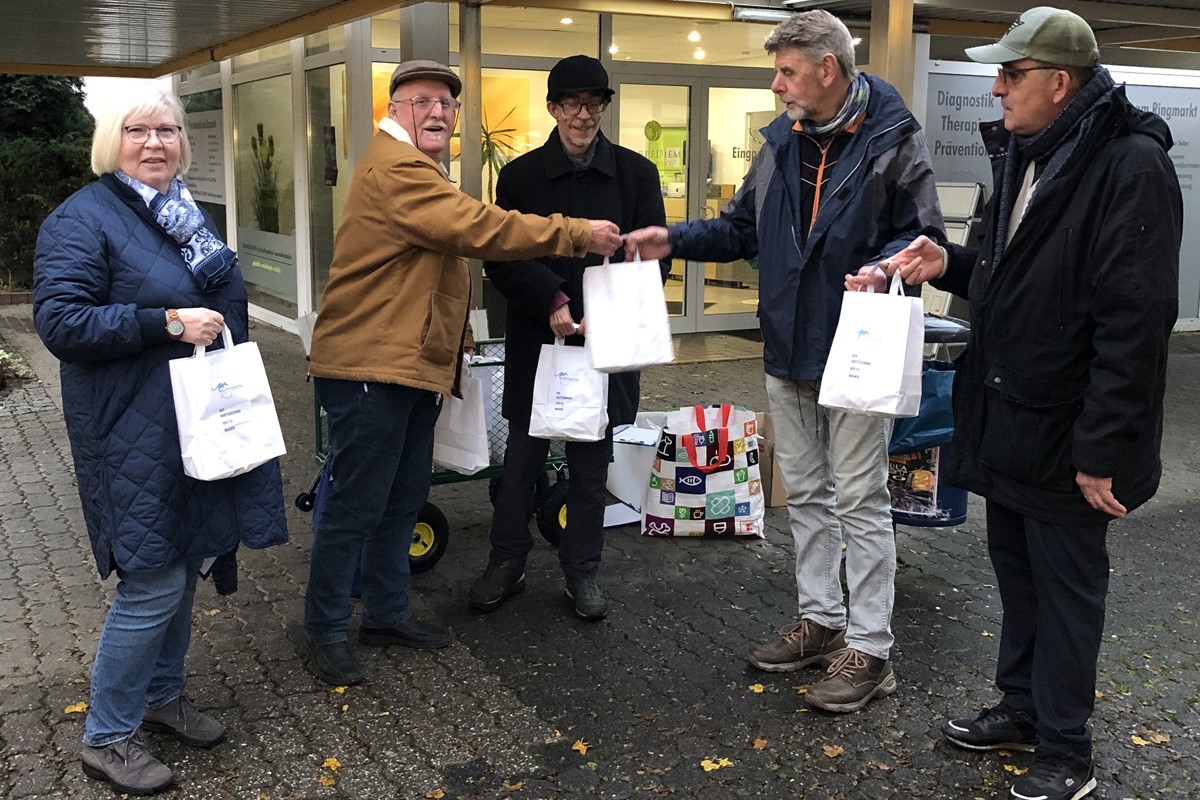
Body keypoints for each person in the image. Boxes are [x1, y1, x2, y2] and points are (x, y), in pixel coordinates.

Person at [851, 8, 1182, 799]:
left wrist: (1103, 448)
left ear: (1058, 83)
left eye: (1010, 74)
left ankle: (1067, 749)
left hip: (1071, 437)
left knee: (1068, 592)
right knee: (1019, 576)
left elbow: (1134, 325)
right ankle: (1022, 707)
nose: (995, 88)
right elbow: (1021, 283)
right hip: (1012, 422)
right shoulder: (1032, 154)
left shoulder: (1129, 166)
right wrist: (951, 263)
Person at [626, 9, 943, 713]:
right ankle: (821, 621)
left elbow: (923, 239)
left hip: (856, 350)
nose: (776, 86)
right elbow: (740, 229)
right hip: (789, 348)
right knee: (806, 494)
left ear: (827, 70)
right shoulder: (779, 146)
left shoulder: (894, 140)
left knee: (859, 500)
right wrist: (669, 239)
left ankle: (872, 649)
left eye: (787, 72)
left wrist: (883, 267)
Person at [303, 60, 622, 686]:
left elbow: (431, 268)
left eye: (447, 104)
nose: (438, 113)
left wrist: (461, 341)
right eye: (421, 100)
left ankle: (387, 613)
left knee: (399, 502)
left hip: (409, 364)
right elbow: (478, 228)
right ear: (393, 110)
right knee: (356, 507)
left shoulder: (421, 168)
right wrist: (575, 233)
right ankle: (325, 629)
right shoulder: (395, 168)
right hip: (371, 365)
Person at [32, 87, 288, 795]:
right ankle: (107, 737)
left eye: (167, 130)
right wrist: (167, 323)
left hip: (194, 420)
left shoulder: (185, 215)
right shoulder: (81, 219)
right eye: (137, 130)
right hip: (129, 430)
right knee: (150, 580)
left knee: (183, 564)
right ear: (111, 141)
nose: (155, 143)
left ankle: (162, 695)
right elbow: (61, 324)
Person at [467, 55, 668, 622]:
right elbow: (500, 257)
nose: (584, 115)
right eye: (572, 104)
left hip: (606, 345)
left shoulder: (636, 175)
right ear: (553, 109)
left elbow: (651, 257)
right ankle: (507, 562)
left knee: (589, 467)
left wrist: (608, 310)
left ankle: (583, 572)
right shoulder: (522, 176)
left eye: (594, 104)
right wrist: (551, 299)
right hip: (539, 340)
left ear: (604, 108)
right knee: (521, 466)